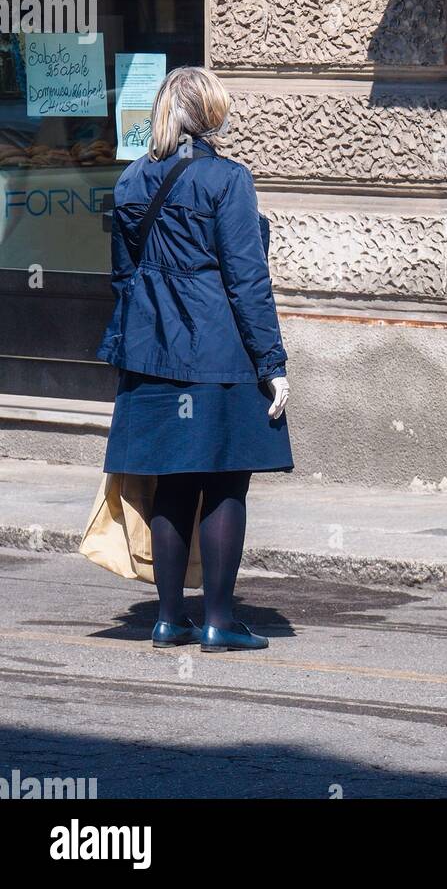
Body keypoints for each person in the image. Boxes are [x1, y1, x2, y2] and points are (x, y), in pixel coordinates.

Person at [98, 66, 292, 653]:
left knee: (172, 485)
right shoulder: (226, 179)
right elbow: (247, 280)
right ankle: (217, 620)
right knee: (226, 483)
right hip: (217, 351)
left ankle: (166, 618)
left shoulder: (131, 180)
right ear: (210, 115)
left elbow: (123, 277)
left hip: (153, 353)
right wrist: (272, 362)